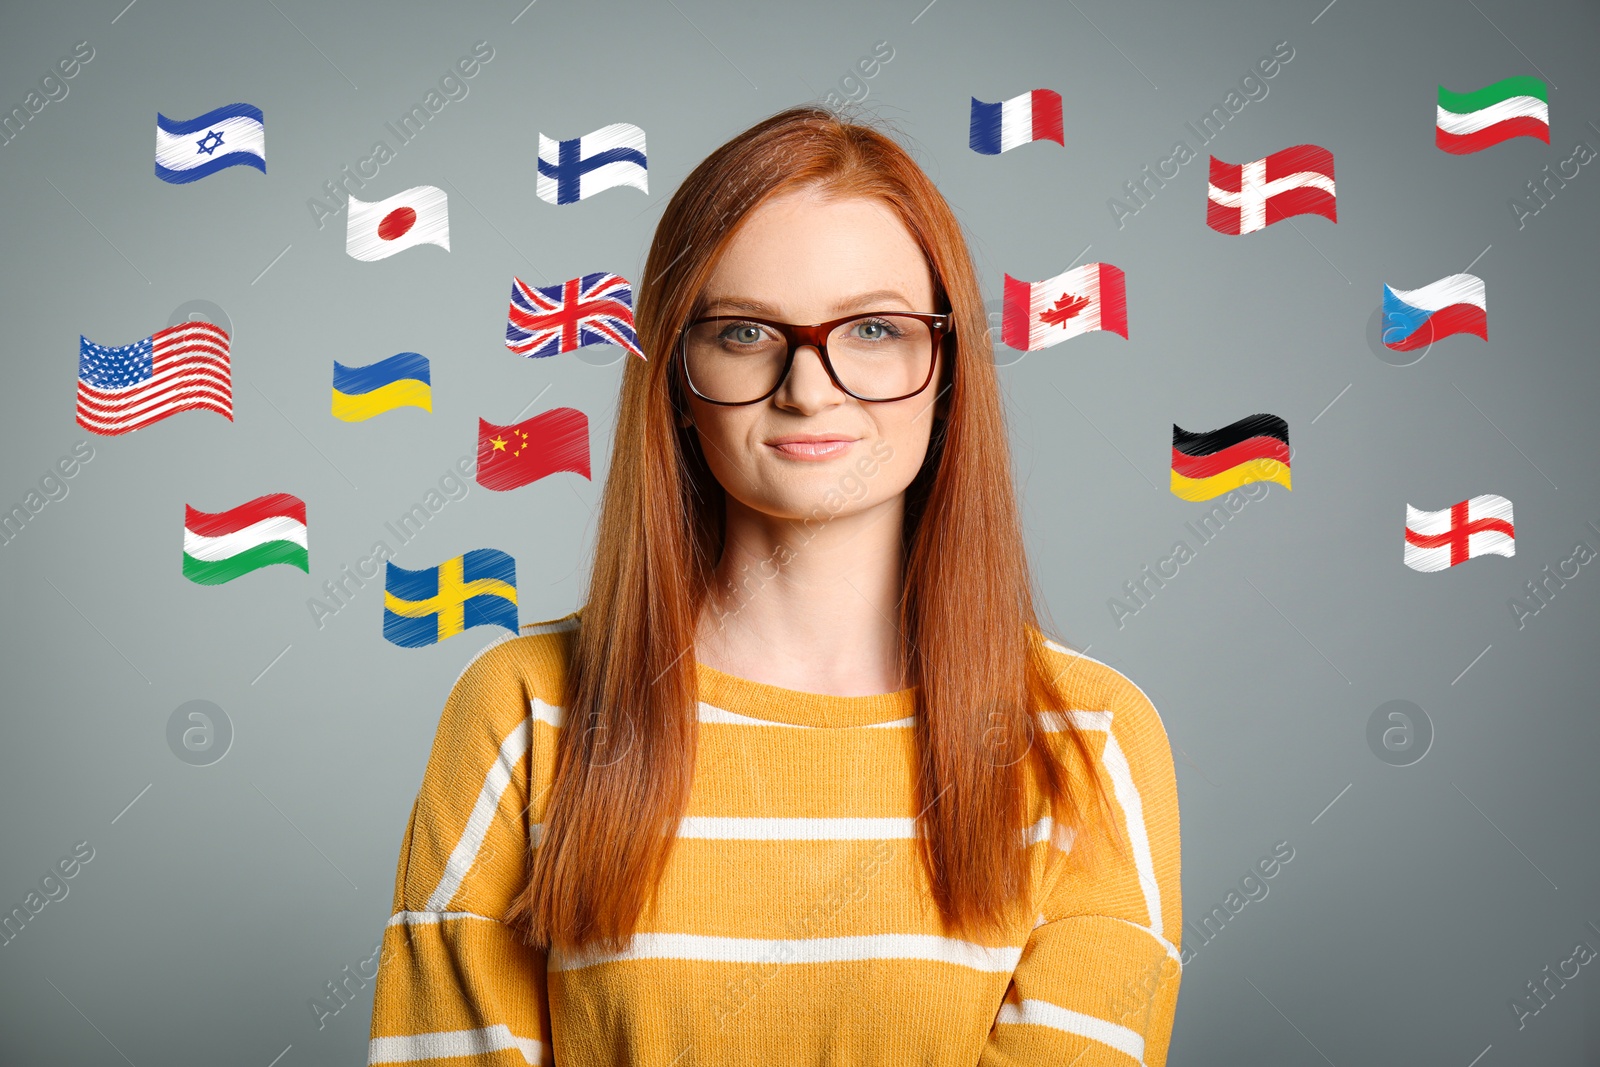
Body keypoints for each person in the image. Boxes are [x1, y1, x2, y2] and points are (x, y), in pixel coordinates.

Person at [366, 104, 1182, 1066]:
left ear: (947, 367)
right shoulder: (521, 708)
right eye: (746, 331)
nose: (808, 385)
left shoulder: (1088, 741)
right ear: (674, 371)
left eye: (874, 327)